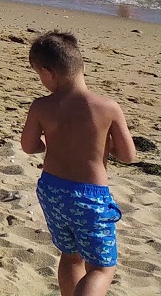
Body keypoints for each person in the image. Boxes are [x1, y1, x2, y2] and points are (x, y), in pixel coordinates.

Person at [20, 31, 136, 296]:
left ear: (49, 73)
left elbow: (28, 146)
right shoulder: (107, 107)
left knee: (71, 255)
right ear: (81, 66)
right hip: (89, 198)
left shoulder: (41, 107)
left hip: (52, 191)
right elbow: (129, 155)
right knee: (101, 268)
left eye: (39, 75)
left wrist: (46, 145)